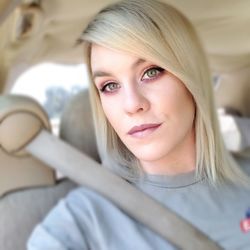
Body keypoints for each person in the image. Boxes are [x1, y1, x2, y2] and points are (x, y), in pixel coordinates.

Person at [27, 0, 250, 249]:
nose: (132, 104)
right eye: (109, 86)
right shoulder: (81, 221)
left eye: (151, 71)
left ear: (192, 77)